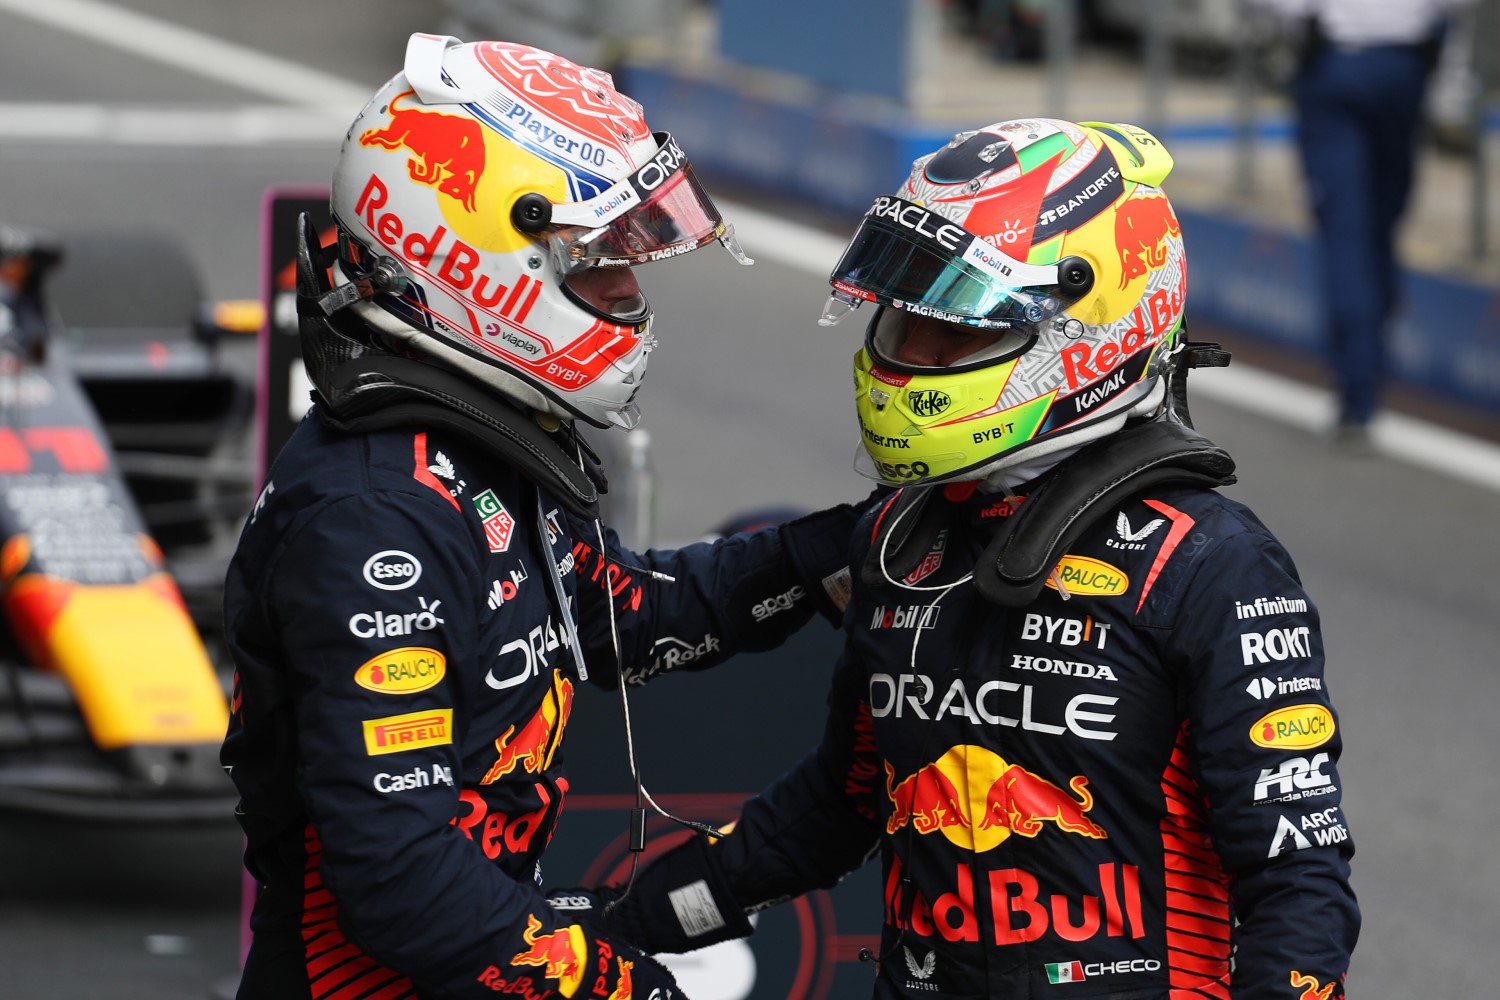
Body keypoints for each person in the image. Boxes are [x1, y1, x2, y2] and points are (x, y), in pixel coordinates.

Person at [574, 118, 1360, 998]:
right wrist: (611, 932)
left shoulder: (1210, 564)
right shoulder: (896, 537)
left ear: (1088, 329)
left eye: (950, 333)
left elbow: (1299, 884)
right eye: (904, 322)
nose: (912, 357)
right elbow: (834, 808)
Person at [219, 33, 860, 1000]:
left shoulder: (481, 437)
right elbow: (404, 885)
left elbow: (612, 616)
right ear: (465, 259)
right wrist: (624, 989)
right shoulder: (369, 523)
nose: (630, 294)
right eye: (601, 258)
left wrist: (832, 552)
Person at [1249, 0, 1473, 443]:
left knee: (1346, 232)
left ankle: (1358, 387)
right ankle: (1371, 359)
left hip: (1340, 65)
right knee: (1379, 226)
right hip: (1403, 69)